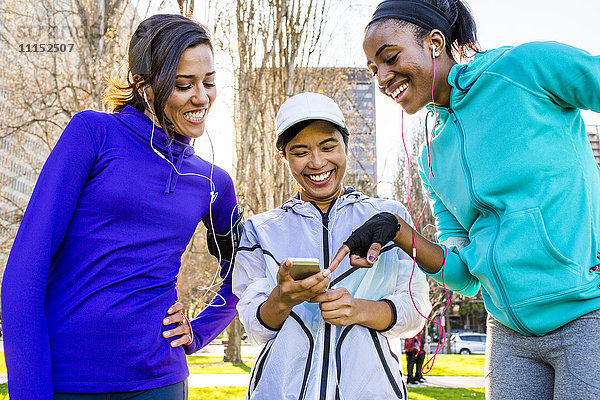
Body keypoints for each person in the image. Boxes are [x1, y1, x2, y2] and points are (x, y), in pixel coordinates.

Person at [330, 0, 600, 399]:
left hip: (586, 315)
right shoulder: (431, 156)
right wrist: (401, 233)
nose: (383, 78)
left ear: (435, 42)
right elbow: (464, 275)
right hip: (509, 334)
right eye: (374, 70)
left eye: (390, 58)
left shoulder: (523, 70)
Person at [1, 14, 242, 399]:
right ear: (143, 84)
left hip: (161, 382)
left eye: (208, 83)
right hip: (70, 381)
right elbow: (23, 276)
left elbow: (244, 270)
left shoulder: (212, 182)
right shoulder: (93, 135)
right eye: (183, 85)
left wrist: (198, 331)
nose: (201, 97)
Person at [232, 92, 432, 400]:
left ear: (347, 147)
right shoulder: (260, 230)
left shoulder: (389, 220)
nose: (317, 162)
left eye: (328, 147)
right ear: (284, 157)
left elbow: (414, 312)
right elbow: (255, 327)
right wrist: (281, 299)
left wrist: (357, 309)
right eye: (300, 152)